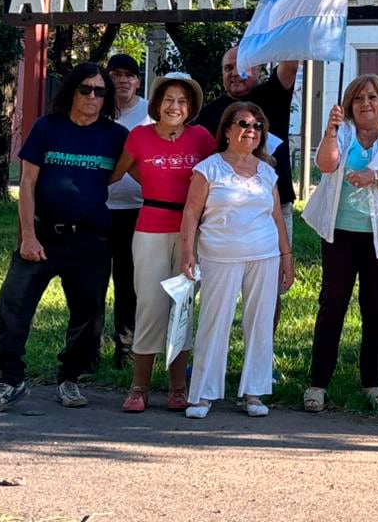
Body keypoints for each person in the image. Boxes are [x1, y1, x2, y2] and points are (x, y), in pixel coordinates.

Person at [0, 62, 128, 414]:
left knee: (88, 315)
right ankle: (11, 380)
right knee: (13, 306)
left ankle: (70, 378)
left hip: (90, 239)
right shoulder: (47, 128)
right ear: (72, 91)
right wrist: (28, 236)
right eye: (86, 89)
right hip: (43, 236)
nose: (93, 96)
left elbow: (137, 167)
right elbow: (27, 183)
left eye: (100, 91)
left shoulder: (116, 136)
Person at [302, 74, 378, 412]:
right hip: (339, 232)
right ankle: (318, 383)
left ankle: (372, 381)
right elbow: (326, 165)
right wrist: (330, 131)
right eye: (358, 98)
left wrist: (376, 177)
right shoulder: (344, 132)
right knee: (332, 304)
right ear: (350, 105)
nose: (366, 104)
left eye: (372, 97)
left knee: (377, 307)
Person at [179, 102, 294, 419]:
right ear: (228, 130)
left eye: (257, 126)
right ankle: (202, 394)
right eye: (244, 124)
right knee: (214, 323)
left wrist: (287, 256)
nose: (251, 131)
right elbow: (191, 214)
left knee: (259, 322)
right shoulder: (209, 168)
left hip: (265, 254)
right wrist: (187, 253)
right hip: (220, 255)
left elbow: (276, 217)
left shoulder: (267, 172)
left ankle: (254, 392)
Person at [109, 73, 215, 413]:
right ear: (157, 103)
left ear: (191, 107)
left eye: (182, 101)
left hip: (190, 231)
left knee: (181, 307)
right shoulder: (139, 136)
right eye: (169, 99)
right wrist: (151, 183)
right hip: (150, 227)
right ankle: (139, 386)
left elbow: (219, 174)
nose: (175, 106)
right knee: (151, 307)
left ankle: (177, 387)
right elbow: (118, 171)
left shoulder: (201, 138)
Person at [196, 47, 298, 265]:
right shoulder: (209, 113)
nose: (234, 72)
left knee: (271, 286)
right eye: (228, 68)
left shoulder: (273, 94)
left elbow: (290, 63)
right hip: (224, 209)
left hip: (274, 206)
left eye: (242, 67)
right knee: (221, 283)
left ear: (258, 69)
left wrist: (289, 19)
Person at [104, 53, 149, 368]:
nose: (122, 80)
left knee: (127, 280)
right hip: (97, 207)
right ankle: (86, 348)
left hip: (137, 210)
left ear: (138, 80)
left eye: (129, 75)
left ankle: (126, 348)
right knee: (90, 280)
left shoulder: (151, 114)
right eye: (116, 74)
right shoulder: (95, 108)